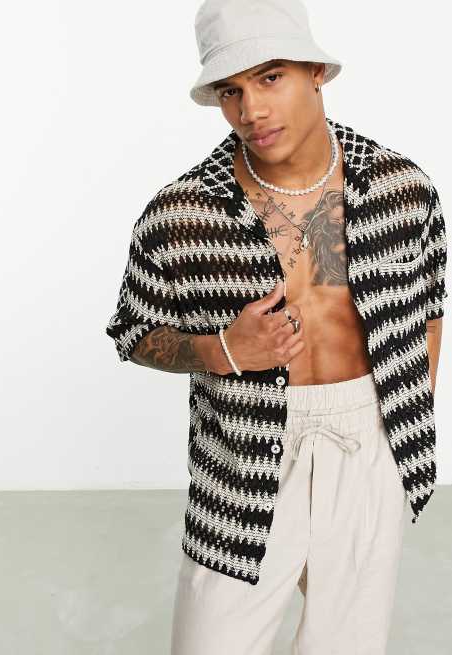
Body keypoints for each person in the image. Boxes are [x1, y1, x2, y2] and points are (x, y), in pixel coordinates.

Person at [105, 1, 448, 653]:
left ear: (315, 71)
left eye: (269, 77)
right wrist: (221, 349)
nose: (251, 110)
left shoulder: (402, 189)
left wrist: (400, 422)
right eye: (230, 90)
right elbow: (134, 330)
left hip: (368, 443)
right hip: (242, 453)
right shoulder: (181, 213)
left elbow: (429, 309)